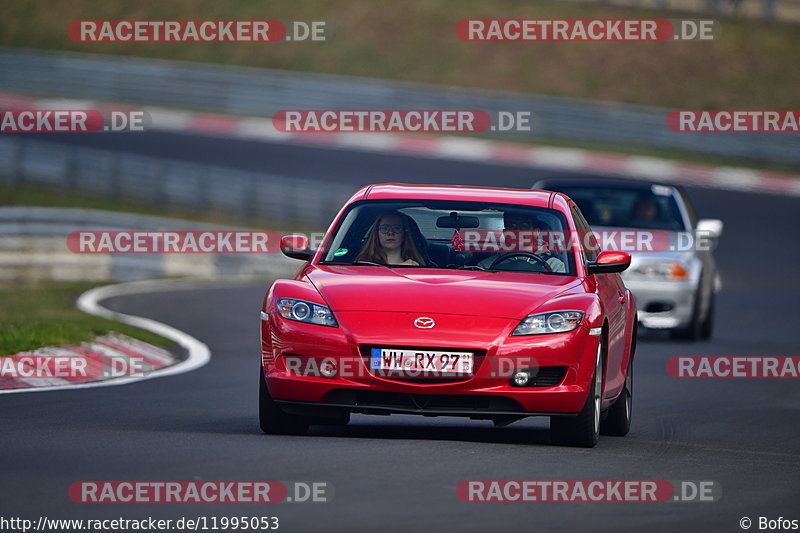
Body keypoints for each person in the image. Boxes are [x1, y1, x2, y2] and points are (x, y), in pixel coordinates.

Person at [477, 211, 566, 272]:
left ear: (536, 232)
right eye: (512, 226)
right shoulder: (486, 266)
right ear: (505, 233)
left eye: (524, 226)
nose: (517, 231)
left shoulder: (555, 267)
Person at [356, 211, 426, 266]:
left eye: (397, 228)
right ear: (377, 233)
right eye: (384, 228)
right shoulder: (362, 264)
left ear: (404, 234)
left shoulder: (417, 267)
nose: (390, 232)